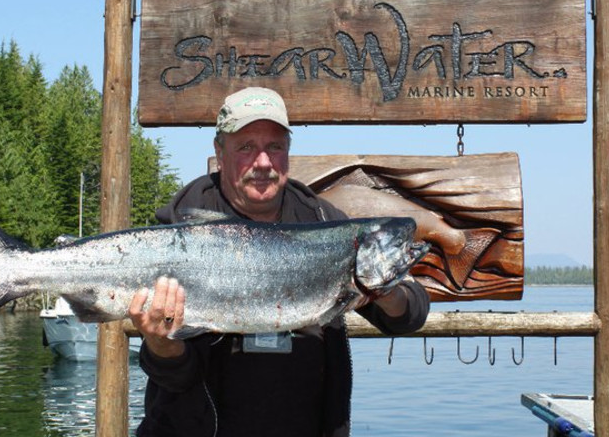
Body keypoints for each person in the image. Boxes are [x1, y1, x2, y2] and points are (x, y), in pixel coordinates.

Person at [128, 87, 430, 437]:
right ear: (219, 152)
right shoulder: (177, 233)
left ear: (288, 151)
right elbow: (177, 378)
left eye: (275, 146)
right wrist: (161, 343)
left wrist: (386, 290)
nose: (263, 163)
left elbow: (410, 316)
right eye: (246, 147)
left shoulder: (323, 222)